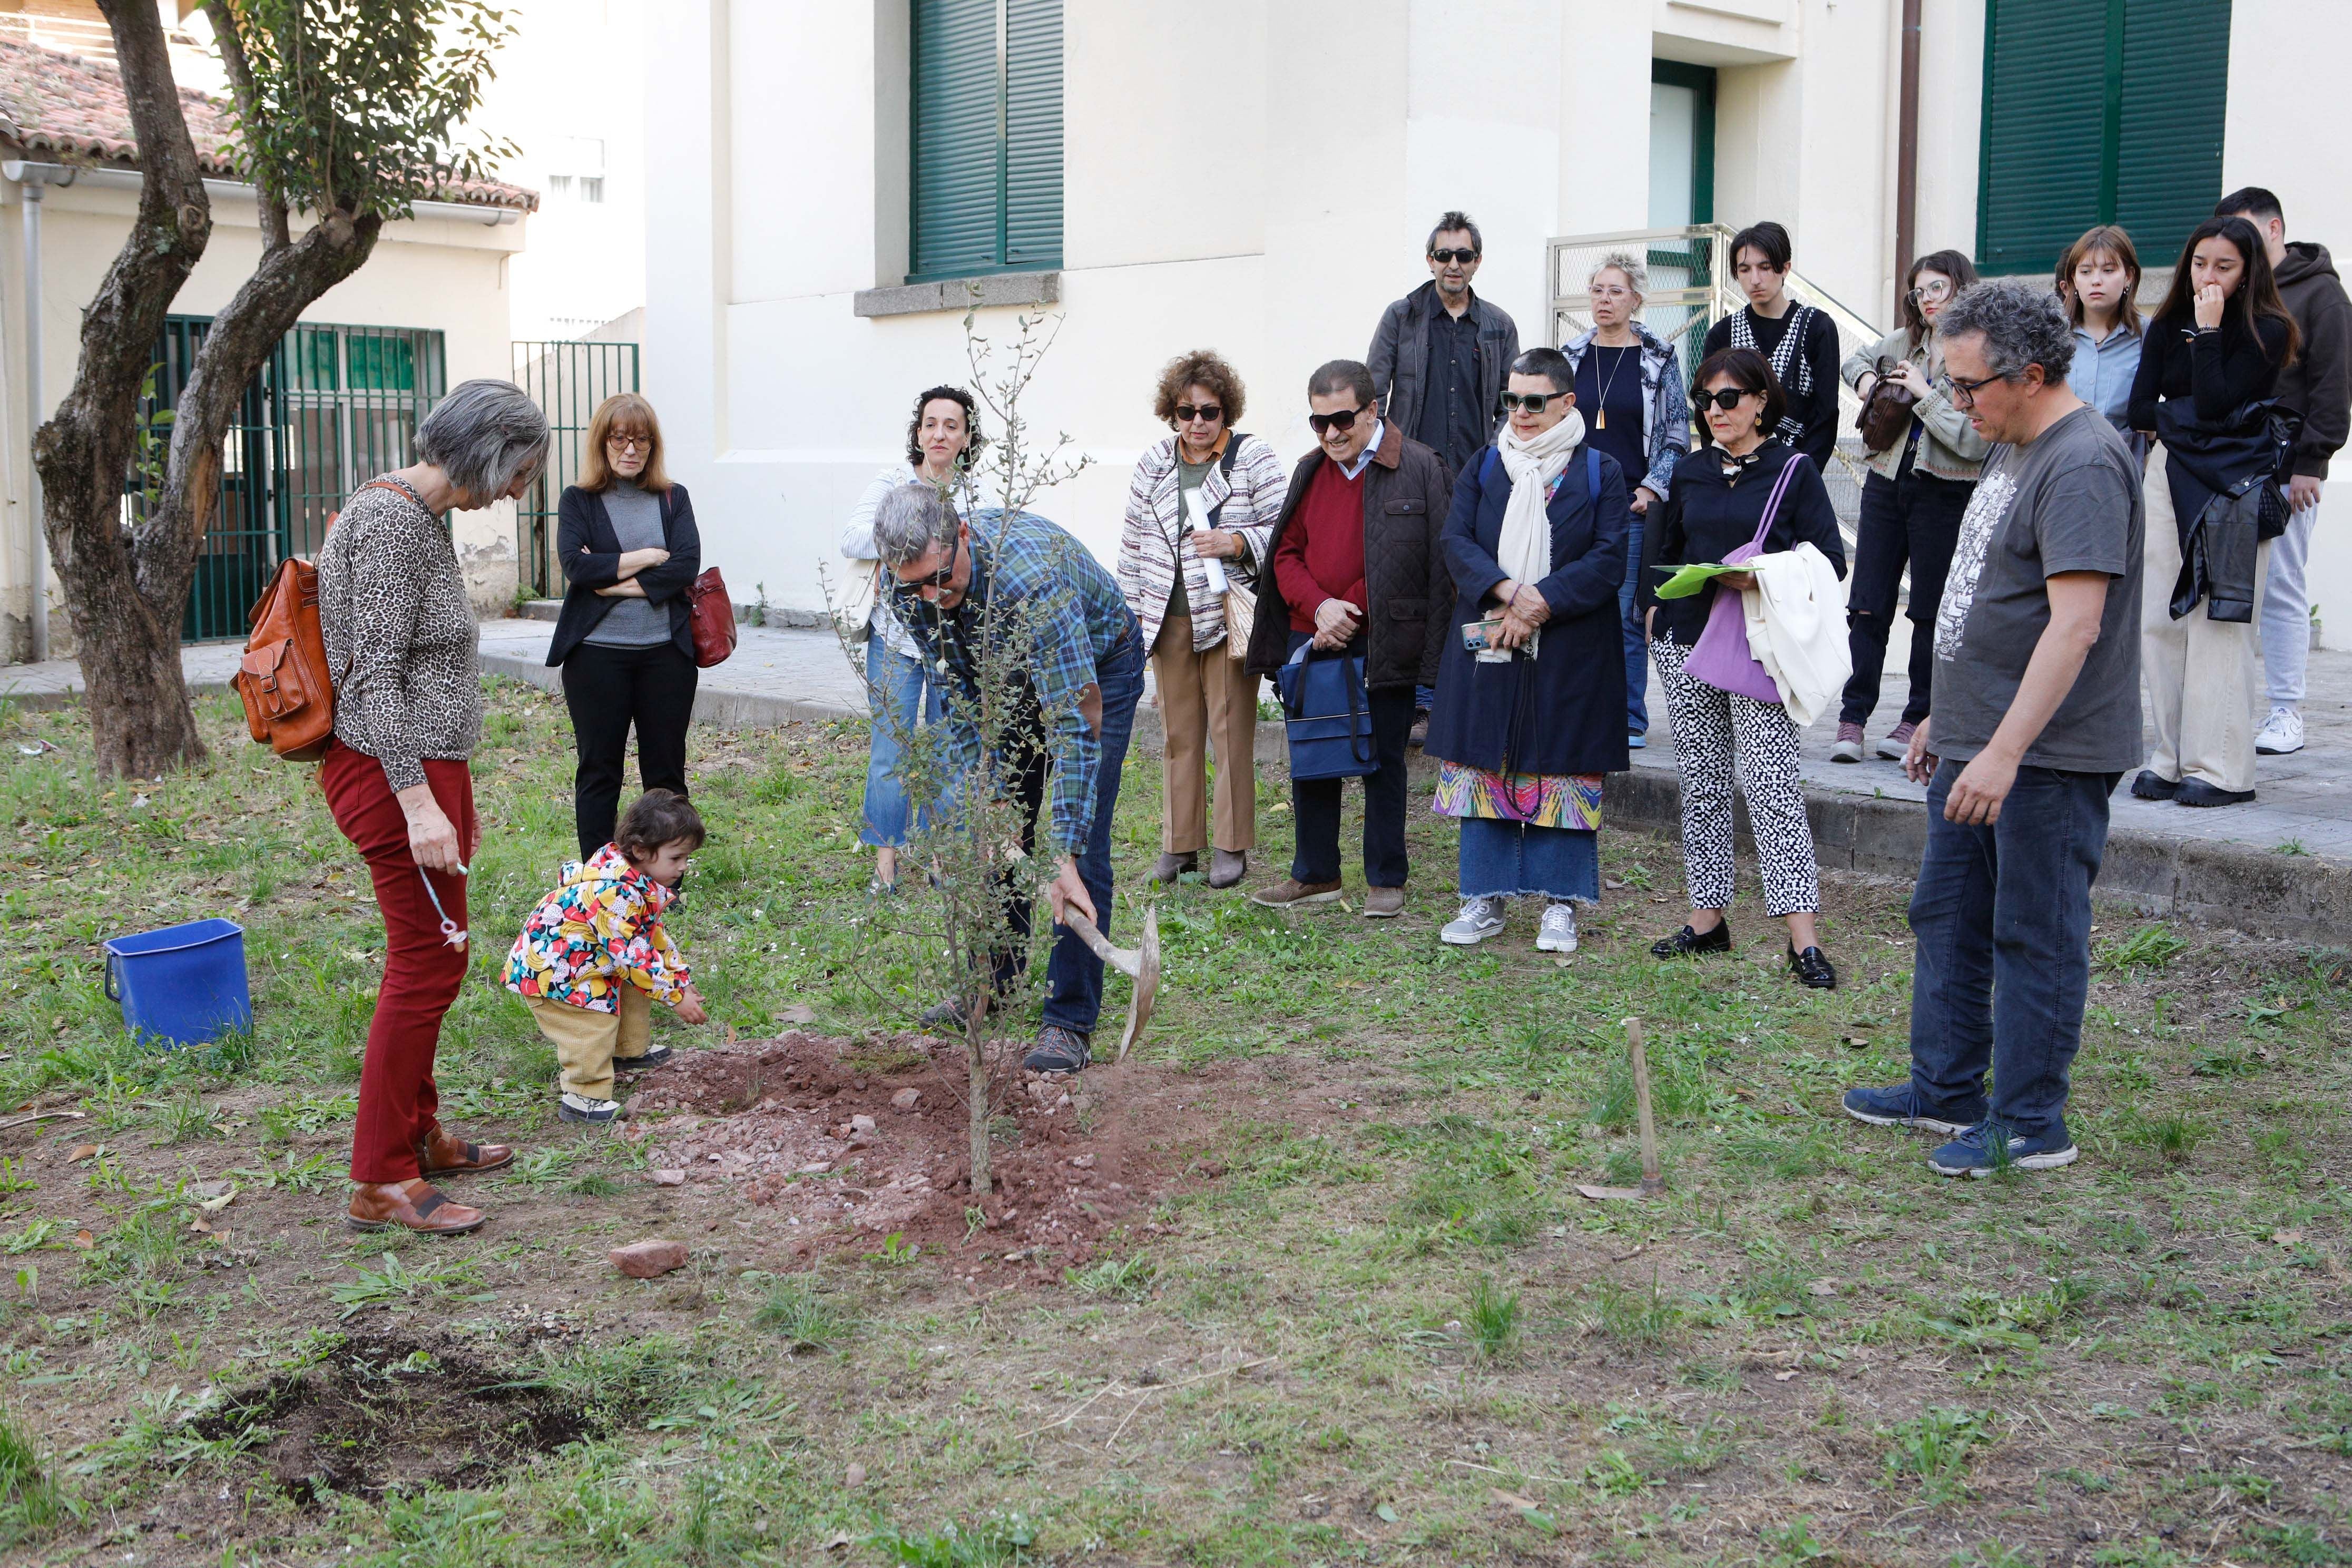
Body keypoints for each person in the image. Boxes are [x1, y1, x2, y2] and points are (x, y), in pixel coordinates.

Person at [1844, 278, 2145, 1177]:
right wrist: (1948, 714)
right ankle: (1944, 1089)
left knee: (2032, 931)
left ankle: (2028, 1122)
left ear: (2031, 372)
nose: (1954, 404)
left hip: (2043, 756)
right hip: (1978, 738)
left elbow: (2073, 625)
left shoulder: (2081, 461)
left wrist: (2005, 749)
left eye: (1969, 387)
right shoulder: (2012, 443)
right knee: (1946, 913)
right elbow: (1992, 599)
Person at [316, 379, 549, 1236]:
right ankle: (378, 1178)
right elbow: (371, 679)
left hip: (421, 771)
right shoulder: (386, 522)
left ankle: (416, 1137)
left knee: (433, 962)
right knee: (425, 966)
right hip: (391, 777)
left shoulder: (415, 518)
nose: (520, 491)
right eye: (521, 470)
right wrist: (419, 803)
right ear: (487, 450)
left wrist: (446, 791)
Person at [873, 485, 1145, 1076]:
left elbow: (1076, 724)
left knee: (1083, 840)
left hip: (1100, 666)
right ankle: (993, 983)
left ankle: (1069, 1019)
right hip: (1005, 678)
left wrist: (1064, 850)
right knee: (999, 826)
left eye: (941, 580)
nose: (930, 598)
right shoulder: (907, 586)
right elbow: (961, 690)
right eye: (914, 585)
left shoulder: (1032, 580)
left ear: (963, 536)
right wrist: (993, 794)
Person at [1638, 348, 1846, 989]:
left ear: (1761, 401)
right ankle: (1708, 923)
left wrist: (1758, 576)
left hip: (1760, 647)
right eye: (1706, 400)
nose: (1715, 411)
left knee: (1771, 787)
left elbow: (1829, 562)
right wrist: (1654, 610)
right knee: (1701, 784)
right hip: (1686, 643)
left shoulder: (1795, 471)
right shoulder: (1693, 472)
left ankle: (1803, 942)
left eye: (1728, 398)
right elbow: (1666, 551)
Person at [1427, 349, 1631, 953]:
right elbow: (1455, 539)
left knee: (1562, 770)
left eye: (1533, 401)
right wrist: (1509, 592)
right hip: (1490, 637)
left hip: (1570, 649)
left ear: (1568, 404)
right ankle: (1483, 899)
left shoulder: (1601, 472)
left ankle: (1560, 906)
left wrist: (1542, 600)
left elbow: (1609, 556)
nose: (1519, 412)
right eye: (1511, 400)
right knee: (1483, 764)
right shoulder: (1487, 464)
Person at [1244, 359, 1452, 917]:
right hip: (1311, 637)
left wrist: (1349, 609)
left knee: (1385, 759)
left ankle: (1387, 879)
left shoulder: (1420, 467)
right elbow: (1283, 555)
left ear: (1372, 410)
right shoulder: (1310, 470)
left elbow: (1426, 561)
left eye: (1342, 420)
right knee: (1312, 757)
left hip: (1384, 640)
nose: (1331, 433)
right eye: (1319, 422)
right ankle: (1315, 875)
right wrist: (1319, 607)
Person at [2127, 216, 2300, 808]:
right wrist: (2190, 411)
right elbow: (2141, 409)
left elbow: (2222, 400)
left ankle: (2223, 769)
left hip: (2235, 482)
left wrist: (2208, 335)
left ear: (2249, 270)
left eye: (2224, 266)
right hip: (2168, 471)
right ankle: (2170, 758)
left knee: (2221, 621)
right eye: (2201, 263)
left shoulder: (2269, 329)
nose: (2208, 276)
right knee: (2160, 617)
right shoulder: (2166, 324)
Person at [1115, 350, 1288, 889]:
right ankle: (1179, 844)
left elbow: (1286, 529)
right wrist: (1127, 623)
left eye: (1208, 412)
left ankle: (1231, 846)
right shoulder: (1153, 464)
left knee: (1232, 731)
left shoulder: (1252, 458)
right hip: (1166, 619)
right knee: (1177, 734)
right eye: (1185, 412)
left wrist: (1236, 541)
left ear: (1226, 412)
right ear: (1171, 412)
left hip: (1230, 616)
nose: (1196, 423)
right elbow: (1132, 546)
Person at [1832, 250, 1990, 763]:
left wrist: (1923, 394)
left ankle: (1915, 719)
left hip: (1946, 488)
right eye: (1919, 291)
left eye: (1937, 289)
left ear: (1962, 289)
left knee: (1929, 608)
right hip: (1884, 480)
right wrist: (1868, 384)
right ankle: (1852, 718)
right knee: (1868, 603)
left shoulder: (1982, 353)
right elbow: (1854, 359)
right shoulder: (1906, 341)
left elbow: (1972, 441)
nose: (1926, 301)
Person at [1369, 211, 1520, 742]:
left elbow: (1513, 399)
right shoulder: (1402, 316)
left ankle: (1468, 689)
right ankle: (1418, 698)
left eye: (1463, 255)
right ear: (1429, 259)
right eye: (1443, 254)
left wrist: (1497, 453)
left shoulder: (1498, 324)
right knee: (1414, 582)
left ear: (1477, 261)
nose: (1453, 264)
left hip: (1477, 474)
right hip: (1412, 475)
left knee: (1473, 583)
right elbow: (1374, 396)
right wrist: (1389, 459)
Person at [2213, 188, 2351, 759]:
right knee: (2225, 587)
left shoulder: (2321, 294)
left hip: (2289, 467)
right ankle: (2229, 709)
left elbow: (2333, 381)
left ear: (2273, 230)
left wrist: (2312, 462)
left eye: (2242, 233)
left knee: (2283, 588)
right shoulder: (2233, 290)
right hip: (2227, 464)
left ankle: (2286, 711)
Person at [544, 393, 704, 860]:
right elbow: (577, 567)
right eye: (619, 440)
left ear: (653, 447)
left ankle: (666, 877)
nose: (630, 450)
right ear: (603, 443)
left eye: (641, 441)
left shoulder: (674, 498)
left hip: (666, 656)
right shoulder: (578, 501)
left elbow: (685, 568)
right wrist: (648, 557)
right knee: (599, 771)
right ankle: (600, 881)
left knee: (667, 774)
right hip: (596, 658)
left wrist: (613, 582)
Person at [841, 386, 982, 890]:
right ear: (918, 433)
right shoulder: (893, 480)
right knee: (890, 750)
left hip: (953, 641)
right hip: (896, 638)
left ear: (966, 438)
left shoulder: (978, 494)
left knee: (951, 749)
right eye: (930, 424)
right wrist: (902, 541)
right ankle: (886, 862)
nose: (939, 433)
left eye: (951, 425)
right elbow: (851, 537)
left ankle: (941, 858)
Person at [505, 790, 710, 1124]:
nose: (683, 867)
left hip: (590, 963)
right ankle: (583, 1095)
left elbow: (652, 941)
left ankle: (628, 1051)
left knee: (634, 987)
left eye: (686, 858)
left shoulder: (636, 880)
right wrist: (675, 997)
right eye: (676, 858)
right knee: (592, 1023)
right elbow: (633, 958)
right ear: (642, 850)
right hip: (558, 975)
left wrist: (679, 980)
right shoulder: (615, 892)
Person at [1563, 251, 1689, 749]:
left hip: (1631, 502)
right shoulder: (1570, 356)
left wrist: (1651, 488)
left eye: (1616, 291)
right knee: (1571, 606)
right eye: (1597, 290)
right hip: (1574, 501)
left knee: (1624, 613)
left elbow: (1677, 435)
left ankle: (1629, 716)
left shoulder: (1658, 355)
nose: (1605, 300)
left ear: (1636, 299)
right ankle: (1575, 707)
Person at [1700, 222, 1843, 471]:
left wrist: (1804, 473)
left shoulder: (1817, 328)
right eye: (1744, 270)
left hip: (1794, 468)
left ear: (1785, 268)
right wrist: (1720, 470)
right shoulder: (1723, 334)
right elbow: (1707, 408)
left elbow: (1826, 414)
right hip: (1734, 471)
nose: (1755, 279)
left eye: (1765, 267)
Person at [2059, 225, 2144, 435]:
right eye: (2086, 272)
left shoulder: (2148, 333)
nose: (2096, 281)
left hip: (2124, 461)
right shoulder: (2053, 334)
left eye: (2108, 270)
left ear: (2129, 276)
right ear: (2073, 280)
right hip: (2062, 459)